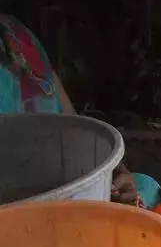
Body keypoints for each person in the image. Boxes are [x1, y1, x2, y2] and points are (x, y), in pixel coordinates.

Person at [0, 14, 141, 205]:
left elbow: (74, 129)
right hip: (19, 212)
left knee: (147, 186)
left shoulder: (16, 34)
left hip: (69, 191)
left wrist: (116, 173)